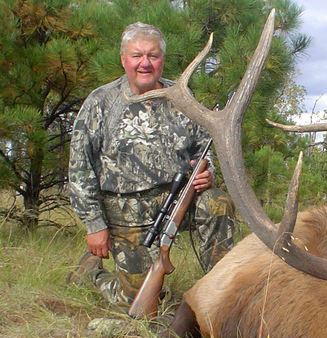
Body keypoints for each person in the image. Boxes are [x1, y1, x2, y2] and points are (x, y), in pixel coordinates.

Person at [67, 22, 234, 308]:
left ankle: (222, 295)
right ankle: (91, 272)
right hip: (124, 214)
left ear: (162, 60)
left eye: (153, 56)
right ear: (124, 59)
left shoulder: (182, 98)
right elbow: (80, 167)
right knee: (138, 303)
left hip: (176, 202)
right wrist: (94, 224)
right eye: (137, 55)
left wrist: (208, 173)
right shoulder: (101, 101)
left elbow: (204, 151)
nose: (145, 63)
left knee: (217, 203)